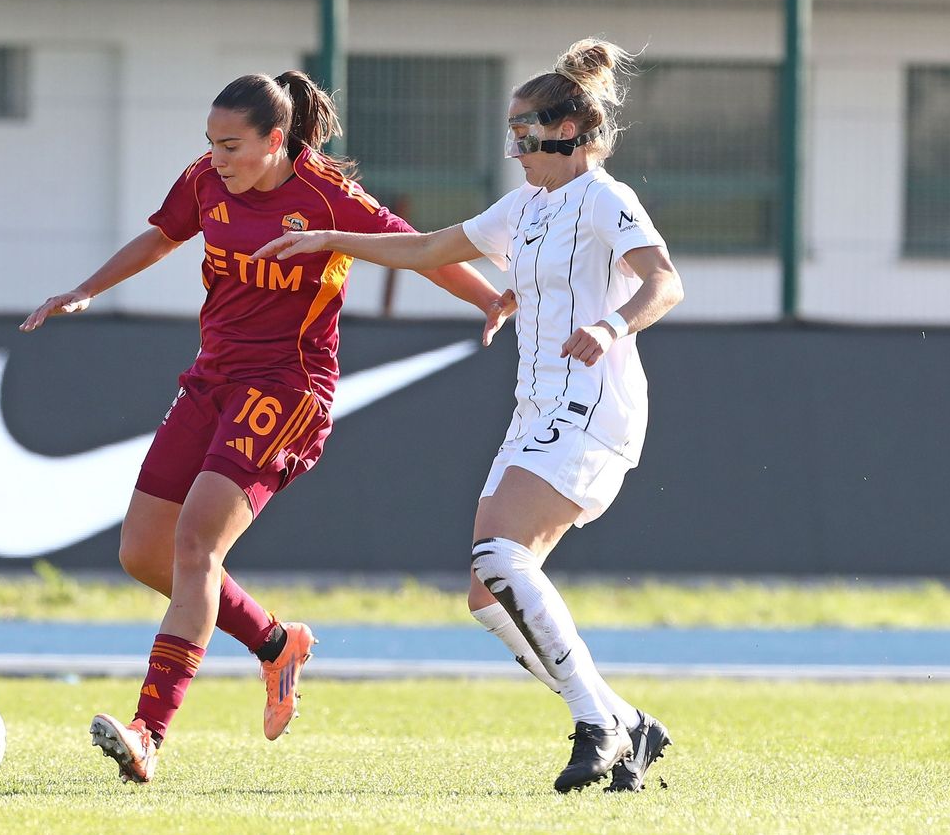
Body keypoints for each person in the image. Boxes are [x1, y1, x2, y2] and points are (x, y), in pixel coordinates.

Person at [19, 71, 515, 783]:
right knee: (143, 553)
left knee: (195, 547)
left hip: (286, 391)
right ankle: (276, 643)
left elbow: (415, 247)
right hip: (209, 381)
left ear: (275, 140)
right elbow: (162, 235)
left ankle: (146, 733)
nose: (215, 158)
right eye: (210, 143)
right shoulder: (205, 181)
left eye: (231, 145)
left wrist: (488, 299)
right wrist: (84, 291)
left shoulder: (326, 199)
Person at [255, 40, 684, 793]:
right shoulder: (525, 206)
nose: (515, 150)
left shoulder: (605, 198)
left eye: (525, 135)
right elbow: (427, 247)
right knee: (486, 595)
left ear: (571, 132)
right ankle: (625, 720)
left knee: (499, 559)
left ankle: (598, 724)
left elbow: (663, 282)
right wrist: (328, 238)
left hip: (593, 402)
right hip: (537, 406)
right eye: (510, 134)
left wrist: (613, 326)